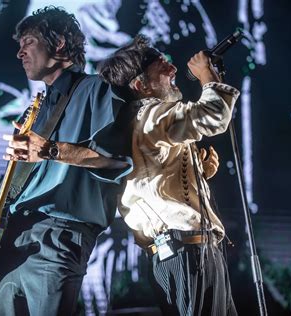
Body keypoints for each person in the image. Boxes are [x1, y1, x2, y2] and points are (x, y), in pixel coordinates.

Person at [0, 6, 132, 315]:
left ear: (59, 43)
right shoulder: (34, 111)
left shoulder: (97, 89)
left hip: (61, 235)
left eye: (29, 41)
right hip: (12, 239)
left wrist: (49, 150)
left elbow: (117, 161)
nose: (20, 53)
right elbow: (9, 185)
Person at [98, 35, 239, 315]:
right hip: (185, 250)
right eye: (162, 66)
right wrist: (207, 76)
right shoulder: (152, 114)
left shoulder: (144, 121)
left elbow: (154, 181)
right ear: (140, 85)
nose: (173, 69)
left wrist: (199, 173)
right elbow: (214, 114)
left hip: (189, 249)